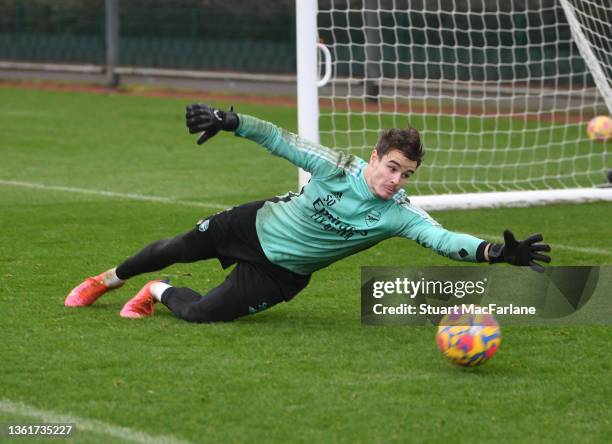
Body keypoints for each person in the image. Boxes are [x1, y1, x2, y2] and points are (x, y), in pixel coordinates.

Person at [65, 104, 551, 321]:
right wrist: (229, 121)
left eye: (406, 175)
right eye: (393, 169)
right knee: (170, 248)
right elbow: (282, 140)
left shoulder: (398, 213)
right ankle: (107, 280)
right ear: (376, 157)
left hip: (281, 275)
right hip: (253, 226)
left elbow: (441, 240)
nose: (396, 181)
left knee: (201, 315)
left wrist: (492, 252)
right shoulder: (338, 167)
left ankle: (157, 292)